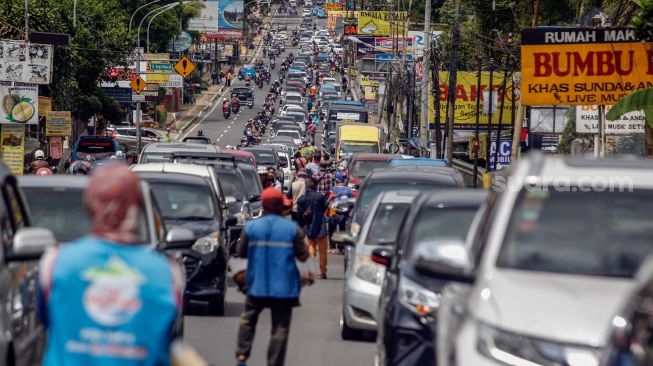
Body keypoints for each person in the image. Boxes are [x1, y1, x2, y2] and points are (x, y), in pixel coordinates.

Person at [37, 165, 183, 366]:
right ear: (137, 206)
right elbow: (170, 335)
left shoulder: (55, 262)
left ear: (89, 204)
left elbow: (45, 321)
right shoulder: (166, 272)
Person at [235, 188, 309, 366]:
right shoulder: (292, 229)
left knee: (247, 320)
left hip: (256, 284)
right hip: (284, 287)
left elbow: (241, 253)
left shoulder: (251, 227)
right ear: (281, 206)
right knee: (280, 328)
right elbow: (303, 256)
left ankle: (242, 357)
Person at [296, 177, 328, 279]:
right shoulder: (319, 197)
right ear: (314, 186)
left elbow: (300, 216)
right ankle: (322, 272)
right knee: (322, 252)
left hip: (309, 228)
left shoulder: (301, 200)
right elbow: (323, 209)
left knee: (310, 250)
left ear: (305, 186)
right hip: (321, 228)